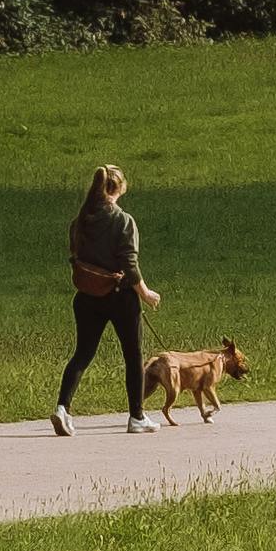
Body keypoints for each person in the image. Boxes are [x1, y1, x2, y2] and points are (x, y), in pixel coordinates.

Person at [54, 162, 160, 434]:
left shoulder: (79, 221)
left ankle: (62, 409)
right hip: (120, 297)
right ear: (120, 187)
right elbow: (130, 264)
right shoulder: (122, 220)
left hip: (86, 296)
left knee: (83, 354)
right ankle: (136, 417)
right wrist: (145, 293)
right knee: (133, 356)